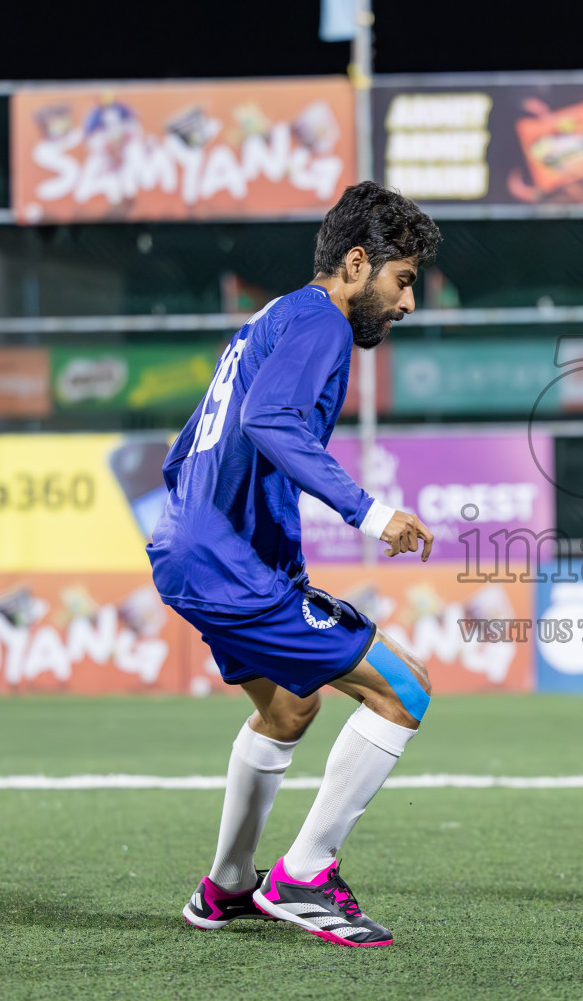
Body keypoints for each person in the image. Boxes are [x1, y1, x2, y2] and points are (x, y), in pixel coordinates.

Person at [147, 182, 442, 947]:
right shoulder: (322, 322)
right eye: (402, 279)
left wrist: (202, 539)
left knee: (287, 709)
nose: (408, 303)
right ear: (355, 262)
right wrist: (372, 514)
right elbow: (269, 420)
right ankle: (306, 875)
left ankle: (226, 887)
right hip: (224, 561)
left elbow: (189, 452)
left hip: (191, 548)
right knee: (404, 689)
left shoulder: (268, 319)